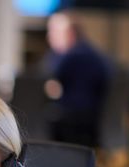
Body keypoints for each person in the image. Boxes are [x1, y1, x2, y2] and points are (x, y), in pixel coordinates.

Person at [44, 11, 110, 148]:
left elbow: (50, 86)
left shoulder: (71, 58)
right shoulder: (95, 54)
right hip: (92, 121)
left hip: (73, 125)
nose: (49, 36)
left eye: (54, 32)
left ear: (70, 33)